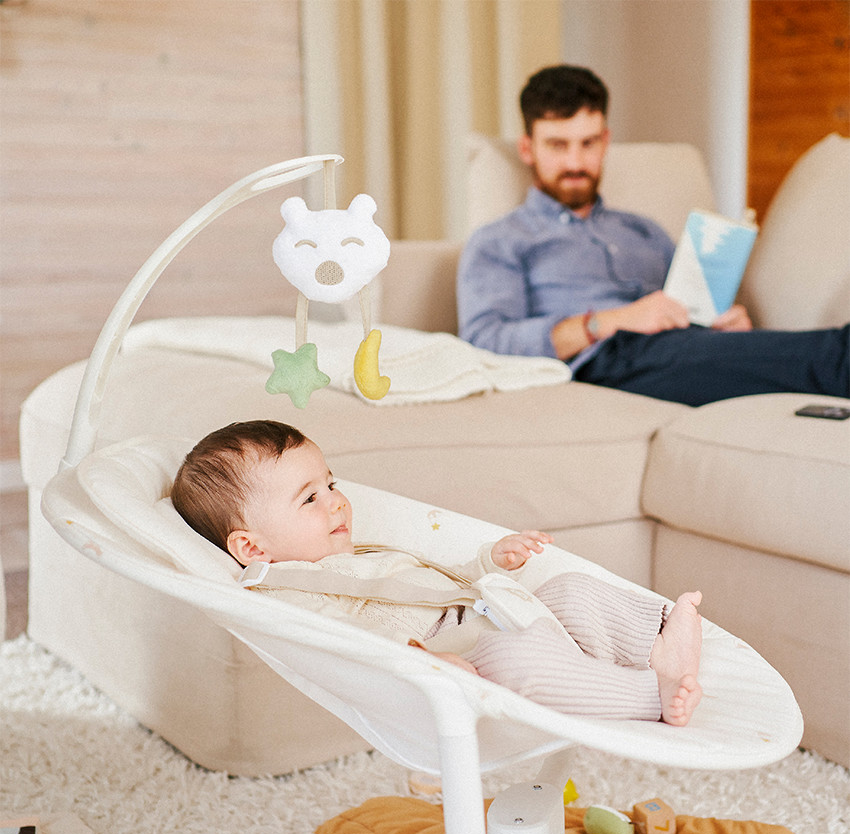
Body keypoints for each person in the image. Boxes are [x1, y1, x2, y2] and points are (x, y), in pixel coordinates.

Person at [171, 419, 704, 726]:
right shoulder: (287, 590)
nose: (337, 503)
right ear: (251, 546)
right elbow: (346, 640)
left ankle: (652, 642)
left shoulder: (360, 553)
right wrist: (423, 661)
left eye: (332, 484)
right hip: (462, 653)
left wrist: (491, 560)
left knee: (570, 588)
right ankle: (650, 697)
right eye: (310, 498)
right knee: (522, 663)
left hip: (487, 606)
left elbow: (429, 576)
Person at [456, 64, 850, 406]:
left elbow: (686, 313)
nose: (575, 162)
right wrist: (605, 322)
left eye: (588, 143)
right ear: (527, 148)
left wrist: (720, 326)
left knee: (784, 357)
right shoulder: (501, 240)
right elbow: (484, 340)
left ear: (606, 142)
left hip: (673, 355)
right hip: (603, 363)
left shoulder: (643, 231)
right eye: (558, 146)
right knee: (832, 356)